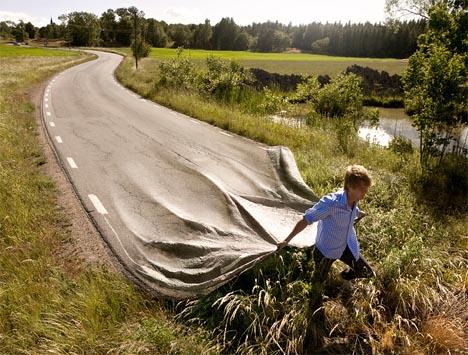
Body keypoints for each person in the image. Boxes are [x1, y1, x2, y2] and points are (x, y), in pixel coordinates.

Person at [278, 164, 375, 283]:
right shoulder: (331, 203)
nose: (364, 195)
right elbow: (306, 219)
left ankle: (343, 277)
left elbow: (351, 211)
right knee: (318, 284)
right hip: (325, 251)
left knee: (367, 272)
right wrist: (287, 240)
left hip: (346, 246)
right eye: (362, 190)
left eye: (366, 190)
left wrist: (359, 213)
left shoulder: (354, 199)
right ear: (350, 186)